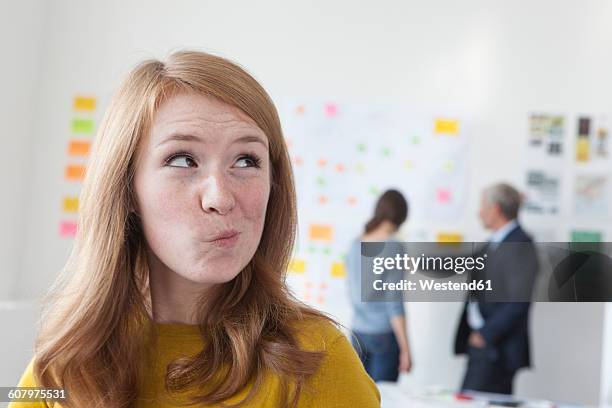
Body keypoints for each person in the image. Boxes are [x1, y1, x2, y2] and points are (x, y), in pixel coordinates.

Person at [10, 51, 380, 408]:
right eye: (183, 159)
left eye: (246, 160)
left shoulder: (317, 360)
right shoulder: (66, 363)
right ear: (126, 188)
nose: (220, 197)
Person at [454, 183, 538, 395]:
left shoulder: (521, 246)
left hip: (496, 347)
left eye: (483, 205)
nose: (479, 212)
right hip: (481, 345)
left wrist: (485, 334)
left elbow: (518, 303)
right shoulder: (490, 245)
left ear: (496, 209)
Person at [345, 189, 413, 382]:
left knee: (360, 398)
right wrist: (406, 349)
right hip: (383, 335)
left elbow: (352, 292)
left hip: (357, 333)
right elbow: (394, 303)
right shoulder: (393, 247)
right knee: (383, 399)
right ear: (402, 216)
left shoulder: (355, 244)